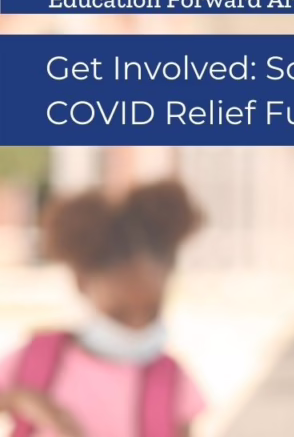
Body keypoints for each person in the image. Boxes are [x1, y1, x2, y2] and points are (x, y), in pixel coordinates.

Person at [0, 180, 206, 437]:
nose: (137, 324)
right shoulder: (36, 360)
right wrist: (20, 400)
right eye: (120, 313)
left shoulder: (174, 383)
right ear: (81, 282)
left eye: (152, 311)